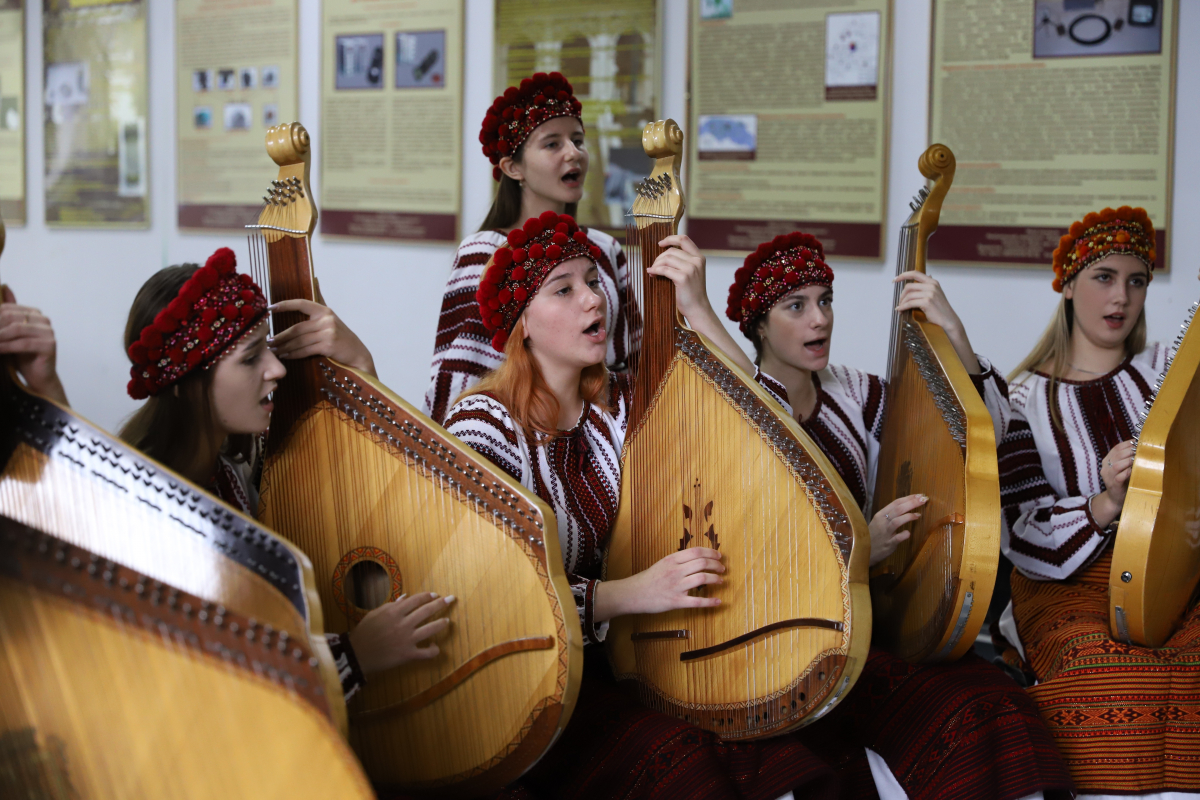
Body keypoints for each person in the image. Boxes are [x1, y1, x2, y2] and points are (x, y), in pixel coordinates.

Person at [444, 212, 841, 799]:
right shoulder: (483, 424)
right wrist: (633, 594)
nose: (592, 299)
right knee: (683, 766)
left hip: (623, 661)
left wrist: (698, 310)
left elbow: (763, 414)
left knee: (777, 751)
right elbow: (494, 590)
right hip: (527, 686)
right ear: (521, 323)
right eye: (565, 288)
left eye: (592, 280)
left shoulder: (621, 404)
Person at [4, 249, 451, 702]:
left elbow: (366, 469)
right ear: (187, 380)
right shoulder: (147, 504)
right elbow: (207, 676)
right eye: (250, 358)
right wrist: (355, 655)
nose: (277, 369)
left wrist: (360, 364)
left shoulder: (228, 466)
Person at [724, 232, 1071, 800]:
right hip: (784, 640)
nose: (821, 320)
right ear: (759, 325)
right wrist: (863, 543)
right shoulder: (739, 407)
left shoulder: (858, 392)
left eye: (825, 301)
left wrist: (953, 333)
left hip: (874, 620)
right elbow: (749, 553)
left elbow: (980, 432)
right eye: (797, 306)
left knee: (995, 699)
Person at [996, 207, 1200, 797]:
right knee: (1107, 672)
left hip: (1176, 575)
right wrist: (1105, 501)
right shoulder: (1020, 399)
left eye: (1136, 281)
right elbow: (1023, 529)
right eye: (1104, 277)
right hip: (1065, 585)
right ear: (1067, 286)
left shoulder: (1168, 370)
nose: (1121, 297)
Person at [424, 71, 634, 424]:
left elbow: (637, 359)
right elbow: (459, 383)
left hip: (610, 437)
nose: (574, 153)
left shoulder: (605, 248)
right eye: (552, 144)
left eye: (578, 140)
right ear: (513, 167)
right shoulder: (483, 252)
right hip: (520, 440)